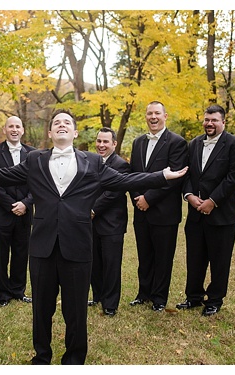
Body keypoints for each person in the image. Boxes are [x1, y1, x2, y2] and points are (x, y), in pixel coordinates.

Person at [0, 109, 187, 365]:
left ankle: (74, 359)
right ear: (50, 132)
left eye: (67, 122)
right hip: (42, 247)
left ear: (74, 132)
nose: (61, 125)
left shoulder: (93, 162)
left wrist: (162, 176)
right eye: (56, 122)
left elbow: (124, 180)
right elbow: (2, 176)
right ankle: (42, 357)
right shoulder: (35, 159)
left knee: (76, 310)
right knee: (41, 309)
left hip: (79, 246)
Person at [176, 104, 235, 317]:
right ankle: (193, 297)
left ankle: (215, 300)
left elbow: (234, 177)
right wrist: (189, 196)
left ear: (223, 122)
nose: (209, 123)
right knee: (195, 258)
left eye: (214, 120)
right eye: (207, 119)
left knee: (219, 260)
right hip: (195, 212)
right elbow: (186, 174)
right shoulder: (194, 144)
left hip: (222, 214)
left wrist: (212, 201)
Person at [128, 101, 188, 312]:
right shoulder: (138, 142)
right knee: (144, 256)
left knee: (163, 257)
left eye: (157, 113)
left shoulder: (177, 142)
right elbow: (132, 174)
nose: (153, 117)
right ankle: (143, 293)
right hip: (141, 210)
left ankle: (159, 298)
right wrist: (137, 197)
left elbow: (175, 178)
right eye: (149, 113)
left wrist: (149, 199)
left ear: (165, 116)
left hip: (164, 212)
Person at [0, 116, 35, 307]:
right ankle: (2, 294)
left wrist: (25, 204)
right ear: (4, 130)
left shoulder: (33, 153)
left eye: (18, 126)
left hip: (25, 212)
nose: (14, 129)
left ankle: (18, 290)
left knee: (22, 254)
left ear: (23, 130)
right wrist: (11, 205)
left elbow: (38, 183)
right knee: (0, 255)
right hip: (1, 213)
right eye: (10, 126)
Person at [88, 127, 131, 317]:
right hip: (91, 222)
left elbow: (113, 193)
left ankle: (110, 304)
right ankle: (97, 296)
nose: (101, 145)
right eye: (99, 141)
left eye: (105, 142)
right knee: (94, 262)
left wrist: (93, 209)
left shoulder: (121, 164)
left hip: (111, 223)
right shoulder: (91, 162)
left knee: (111, 264)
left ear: (114, 144)